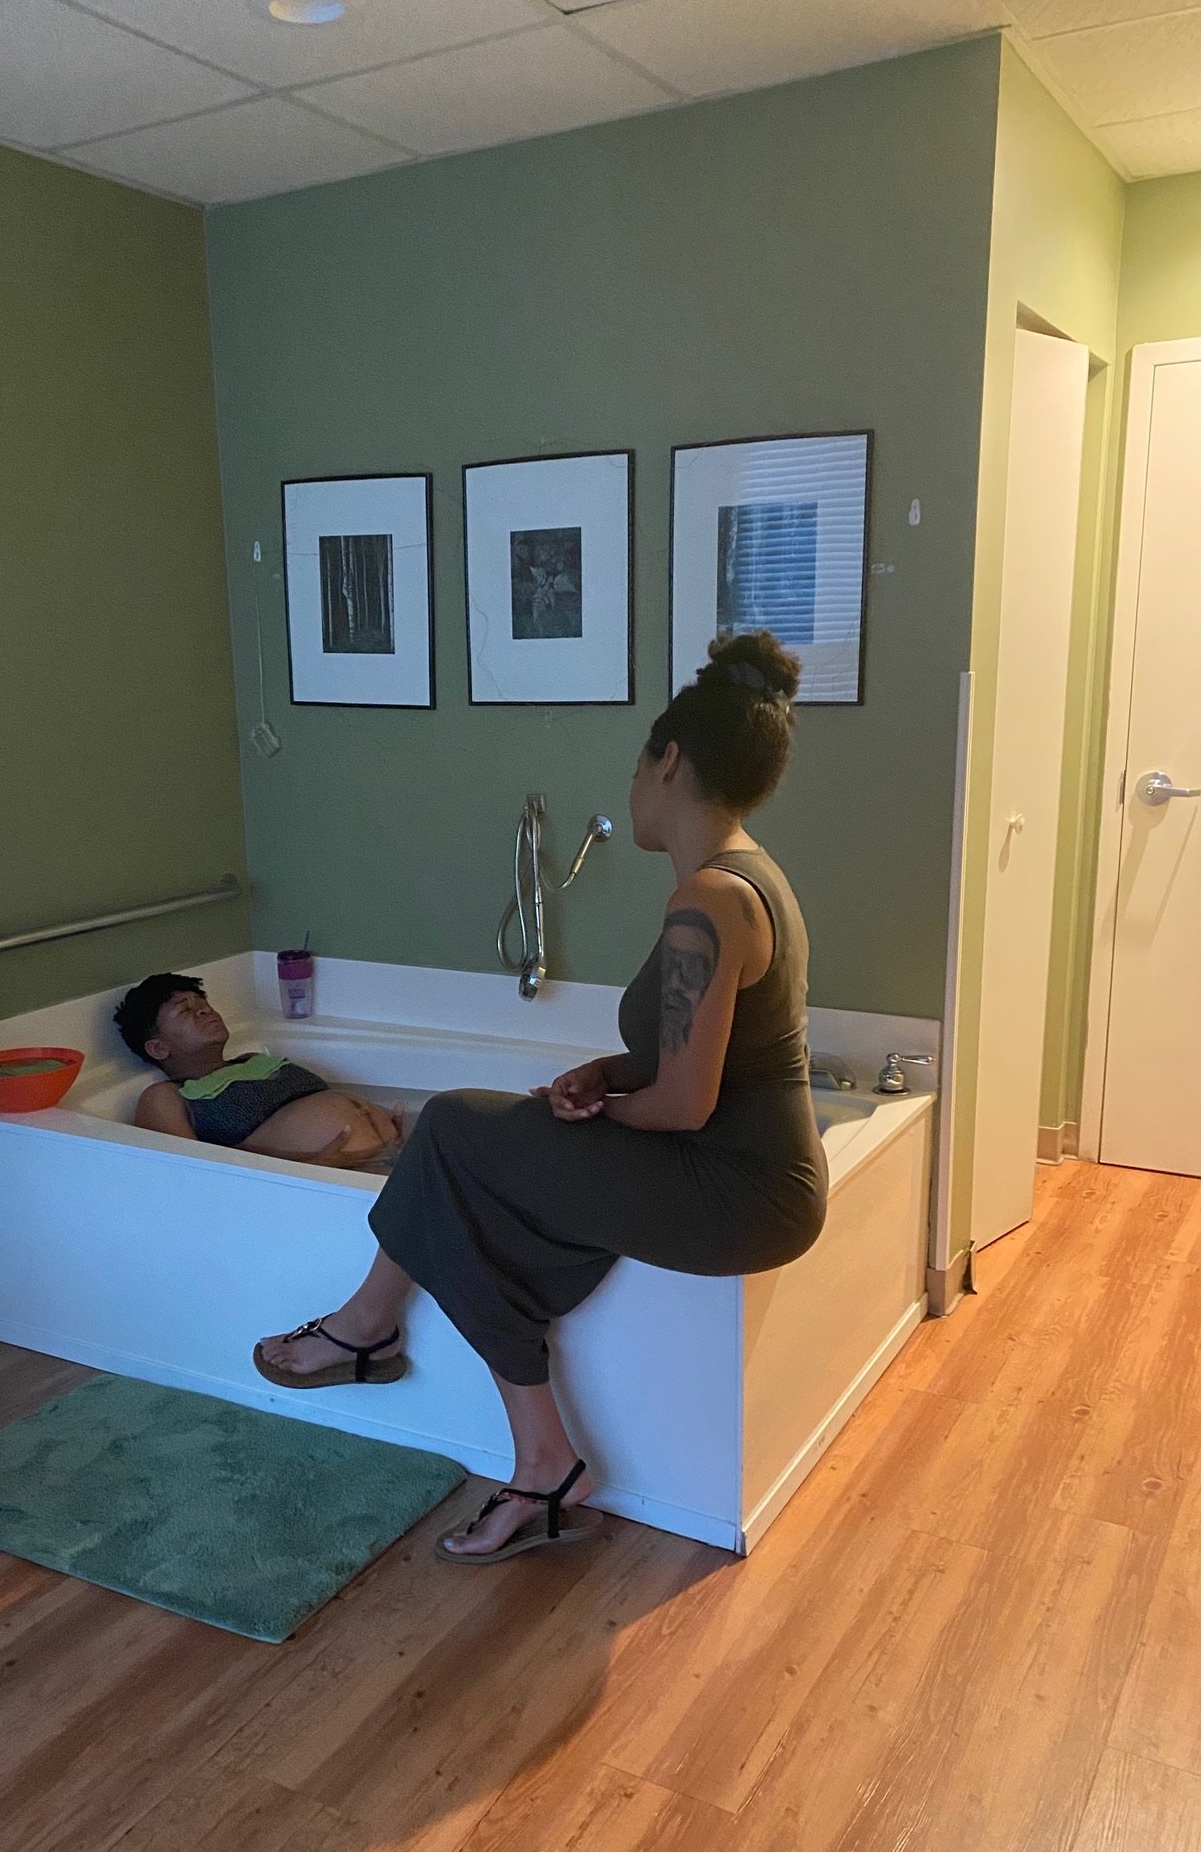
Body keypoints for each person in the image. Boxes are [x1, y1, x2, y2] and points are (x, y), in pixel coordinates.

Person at [256, 628, 829, 1562]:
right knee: (470, 1168)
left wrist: (597, 1112)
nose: (632, 786)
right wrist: (606, 1074)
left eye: (637, 765)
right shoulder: (749, 876)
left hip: (738, 1191)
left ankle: (375, 1333)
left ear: (668, 761)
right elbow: (722, 1058)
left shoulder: (706, 900)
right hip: (749, 1174)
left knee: (449, 1127)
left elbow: (684, 1104)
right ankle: (526, 1451)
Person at [114, 974, 400, 1171]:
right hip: (328, 1184)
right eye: (185, 1011)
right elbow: (191, 1181)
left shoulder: (251, 1060)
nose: (205, 1011)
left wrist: (385, 1136)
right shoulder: (165, 1097)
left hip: (384, 1165)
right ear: (159, 1048)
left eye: (204, 1004)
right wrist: (313, 1171)